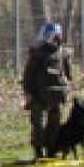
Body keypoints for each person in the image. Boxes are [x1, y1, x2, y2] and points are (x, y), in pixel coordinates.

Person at [21, 22, 73, 159]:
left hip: (57, 94)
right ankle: (38, 150)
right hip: (38, 93)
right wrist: (28, 93)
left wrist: (66, 86)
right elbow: (28, 75)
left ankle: (52, 149)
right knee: (37, 124)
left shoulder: (63, 54)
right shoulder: (37, 54)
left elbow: (68, 75)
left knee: (55, 124)